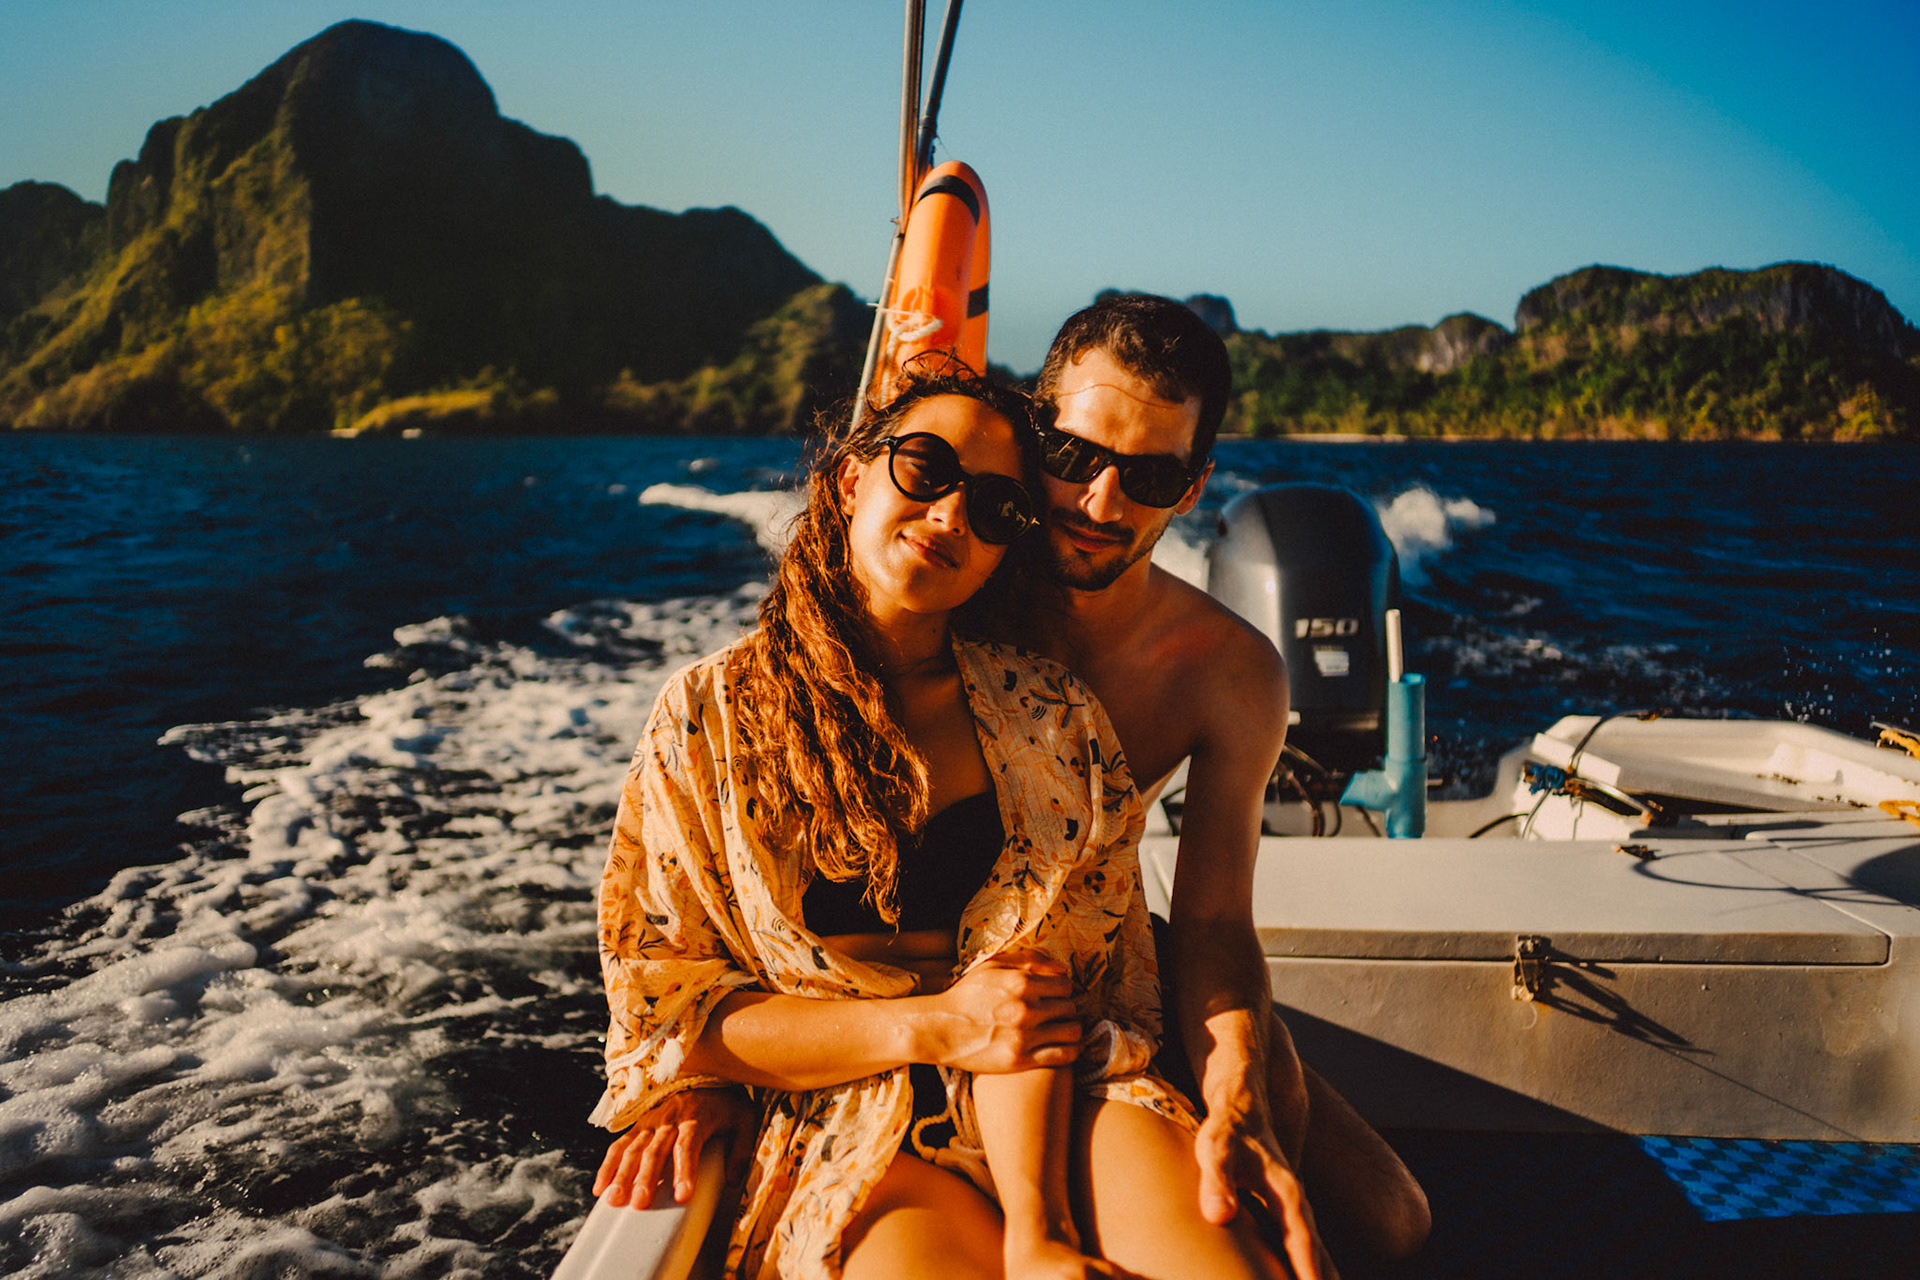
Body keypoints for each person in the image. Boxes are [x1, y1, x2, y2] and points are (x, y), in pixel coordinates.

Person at [591, 370, 1286, 1279]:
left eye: (997, 507)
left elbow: (1076, 981)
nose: (954, 515)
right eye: (926, 469)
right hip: (846, 1117)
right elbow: (672, 1008)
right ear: (849, 478)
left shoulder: (1053, 718)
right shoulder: (710, 719)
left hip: (1062, 1091)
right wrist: (932, 1027)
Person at [1022, 293, 1430, 1266]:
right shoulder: (943, 595)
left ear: (1195, 486)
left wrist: (1237, 1076)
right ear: (1035, 433)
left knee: (1394, 1217)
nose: (1101, 502)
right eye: (1075, 455)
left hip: (1128, 956)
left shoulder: (1229, 671)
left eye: (1150, 473)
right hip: (982, 990)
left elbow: (1209, 922)